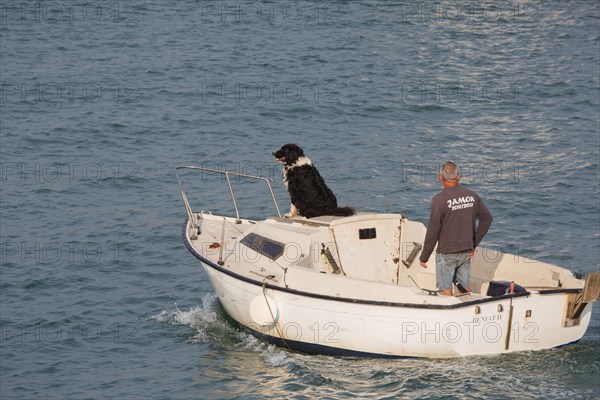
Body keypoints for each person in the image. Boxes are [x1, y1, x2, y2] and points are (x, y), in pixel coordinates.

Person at [419, 161, 493, 296]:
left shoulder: (439, 200)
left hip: (446, 253)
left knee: (445, 290)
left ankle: (449, 315)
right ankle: (468, 312)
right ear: (458, 176)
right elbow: (487, 219)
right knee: (465, 288)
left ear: (440, 177)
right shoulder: (472, 196)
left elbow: (433, 232)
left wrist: (424, 257)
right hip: (466, 250)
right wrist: (474, 244)